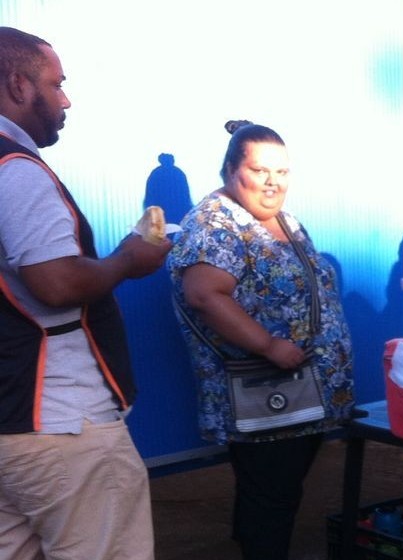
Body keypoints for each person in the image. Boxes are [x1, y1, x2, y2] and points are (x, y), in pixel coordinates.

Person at [0, 27, 169, 560]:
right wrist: (128, 259)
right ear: (18, 85)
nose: (65, 99)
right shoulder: (16, 172)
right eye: (57, 83)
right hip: (60, 426)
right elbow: (56, 284)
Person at [167, 121, 354, 560]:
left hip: (298, 392)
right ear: (231, 170)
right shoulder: (217, 225)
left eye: (282, 172)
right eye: (260, 170)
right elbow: (204, 294)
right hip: (266, 390)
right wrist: (270, 346)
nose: (273, 182)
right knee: (271, 496)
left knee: (271, 493)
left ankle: (252, 542)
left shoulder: (281, 220)